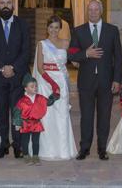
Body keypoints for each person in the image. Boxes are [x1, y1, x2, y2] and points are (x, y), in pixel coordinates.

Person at [68, 0, 122, 161]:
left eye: (96, 9)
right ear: (87, 11)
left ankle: (101, 149)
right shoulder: (79, 31)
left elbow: (118, 57)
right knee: (86, 116)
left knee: (104, 115)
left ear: (101, 11)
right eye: (90, 10)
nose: (93, 12)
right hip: (86, 81)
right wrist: (86, 54)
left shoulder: (112, 30)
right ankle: (84, 148)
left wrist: (117, 80)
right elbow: (71, 54)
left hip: (107, 81)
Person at [0, 0, 30, 159]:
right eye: (2, 2)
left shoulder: (23, 25)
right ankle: (3, 145)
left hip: (18, 77)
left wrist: (14, 68)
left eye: (8, 3)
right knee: (2, 113)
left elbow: (26, 51)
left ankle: (18, 146)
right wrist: (3, 68)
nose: (5, 6)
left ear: (13, 6)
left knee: (17, 113)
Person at [33, 15, 77, 160]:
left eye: (56, 27)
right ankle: (47, 150)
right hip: (47, 83)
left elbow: (75, 61)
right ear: (47, 28)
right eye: (51, 27)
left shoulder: (65, 43)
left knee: (62, 114)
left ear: (60, 29)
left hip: (62, 82)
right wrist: (52, 84)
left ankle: (63, 150)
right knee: (48, 116)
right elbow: (40, 67)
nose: (53, 30)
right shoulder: (42, 44)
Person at [13, 74, 55, 166]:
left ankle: (36, 156)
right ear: (26, 88)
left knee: (36, 141)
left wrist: (55, 95)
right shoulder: (22, 101)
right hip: (25, 124)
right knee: (25, 141)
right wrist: (18, 123)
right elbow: (17, 112)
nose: (35, 88)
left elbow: (49, 102)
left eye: (36, 86)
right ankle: (26, 155)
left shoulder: (40, 98)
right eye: (32, 86)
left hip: (36, 124)